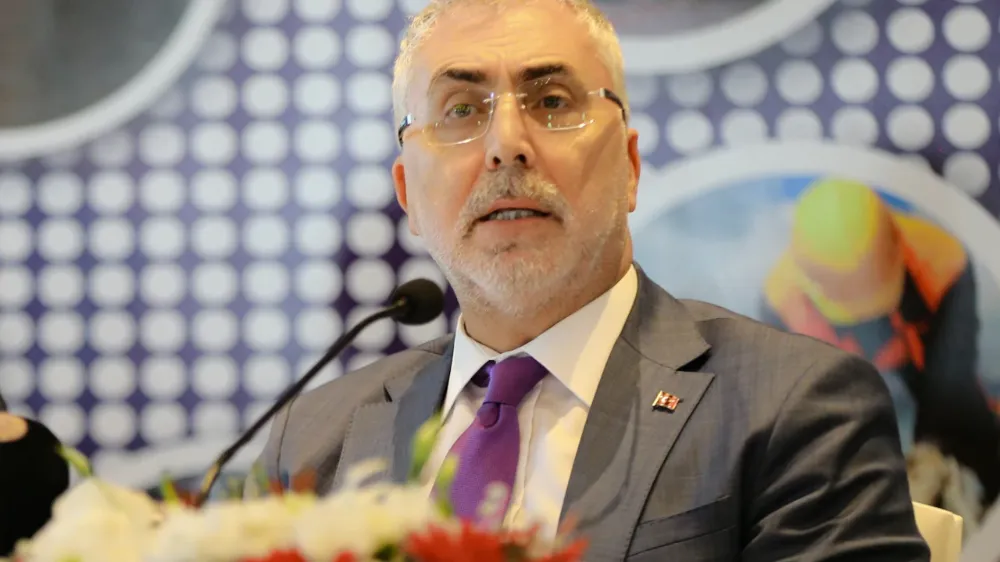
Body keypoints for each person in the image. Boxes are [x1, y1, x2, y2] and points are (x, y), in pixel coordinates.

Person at [253, 1, 929, 559]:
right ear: (408, 194)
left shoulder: (794, 408)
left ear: (630, 168)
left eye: (551, 100)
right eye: (460, 110)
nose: (506, 144)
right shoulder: (313, 440)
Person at [762, 178, 1000, 512]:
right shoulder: (780, 303)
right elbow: (809, 414)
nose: (867, 314)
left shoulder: (944, 261)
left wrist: (932, 450)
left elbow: (951, 381)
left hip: (921, 335)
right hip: (839, 353)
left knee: (961, 409)